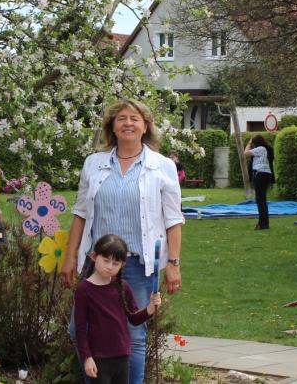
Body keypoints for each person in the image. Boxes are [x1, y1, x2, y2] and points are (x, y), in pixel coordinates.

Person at [60, 98, 184, 384]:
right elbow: (80, 213)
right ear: (112, 127)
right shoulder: (94, 163)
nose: (128, 123)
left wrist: (173, 264)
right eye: (121, 118)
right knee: (78, 330)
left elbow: (174, 220)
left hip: (137, 267)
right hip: (97, 265)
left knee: (134, 334)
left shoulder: (162, 166)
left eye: (135, 118)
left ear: (145, 127)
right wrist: (70, 256)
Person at [74, 235, 162, 384]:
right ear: (94, 256)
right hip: (98, 358)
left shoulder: (123, 287)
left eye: (115, 263)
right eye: (106, 260)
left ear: (122, 265)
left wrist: (150, 308)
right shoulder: (84, 290)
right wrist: (87, 358)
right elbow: (80, 329)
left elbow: (134, 319)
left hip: (122, 355)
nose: (109, 266)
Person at [244, 135, 274, 230]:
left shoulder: (260, 148)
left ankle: (261, 224)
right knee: (263, 200)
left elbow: (245, 154)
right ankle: (265, 224)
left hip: (260, 174)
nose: (252, 144)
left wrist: (248, 143)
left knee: (260, 200)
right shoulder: (264, 149)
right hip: (266, 174)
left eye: (253, 143)